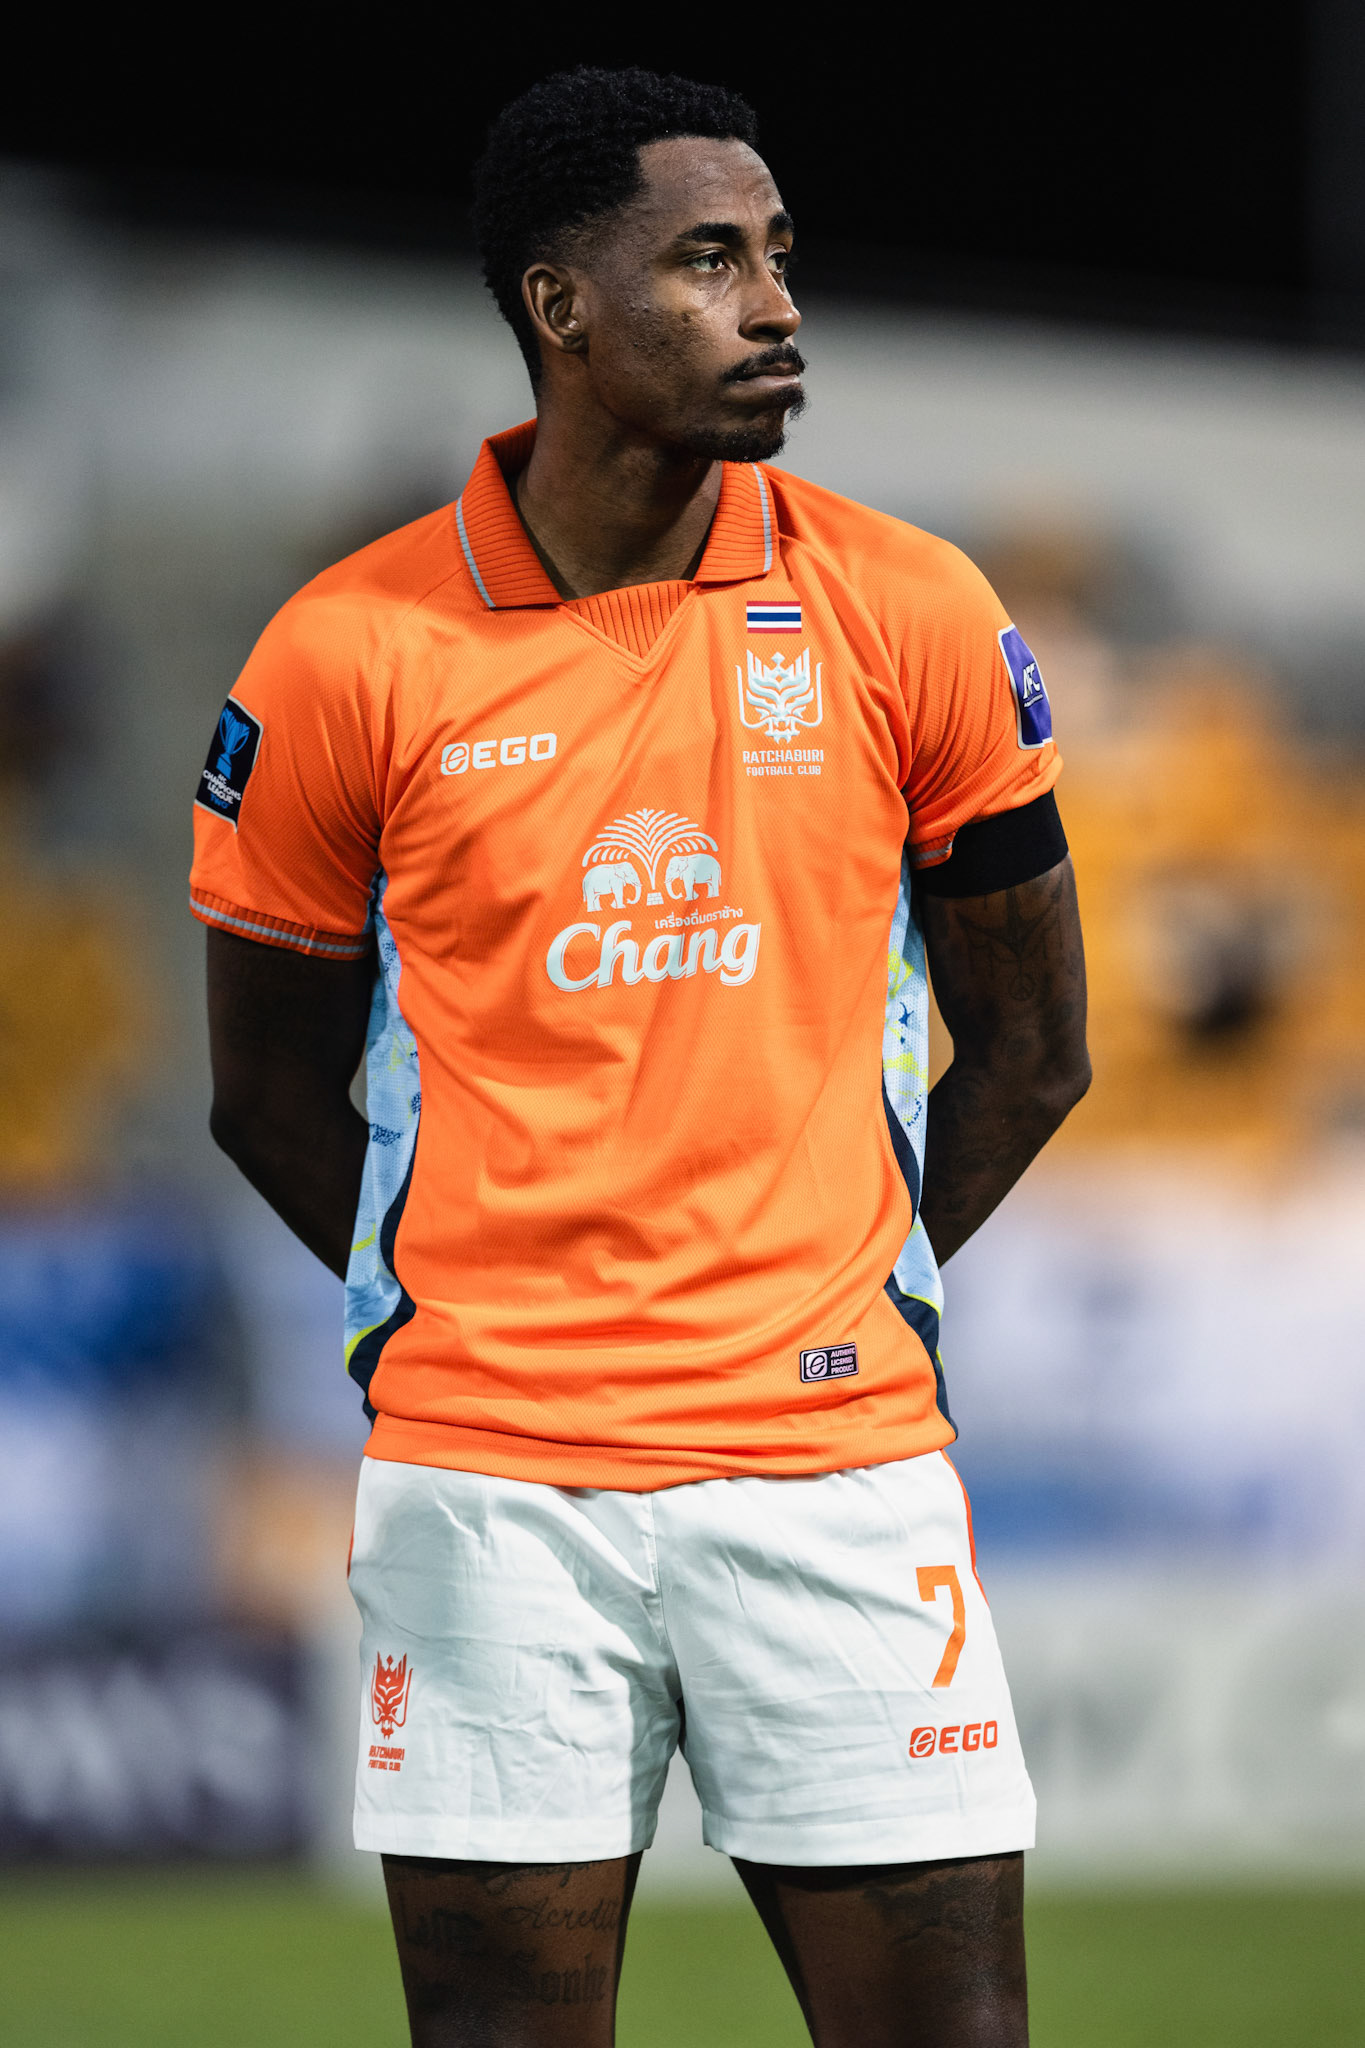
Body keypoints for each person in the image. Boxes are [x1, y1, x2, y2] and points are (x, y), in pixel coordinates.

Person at [192, 65, 1089, 2048]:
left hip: (836, 1469)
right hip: (486, 1483)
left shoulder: (907, 607)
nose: (773, 305)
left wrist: (826, 1276)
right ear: (556, 306)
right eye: (706, 259)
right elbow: (259, 1089)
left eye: (778, 258)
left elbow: (1031, 1050)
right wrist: (460, 1298)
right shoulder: (345, 657)